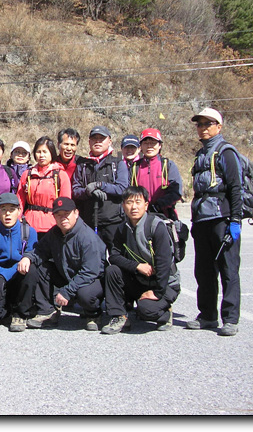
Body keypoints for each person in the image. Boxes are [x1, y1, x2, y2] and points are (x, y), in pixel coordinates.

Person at [187, 108, 243, 336]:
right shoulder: (201, 154)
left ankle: (230, 318)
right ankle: (208, 315)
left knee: (228, 269)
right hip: (202, 219)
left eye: (208, 123)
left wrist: (236, 220)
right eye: (200, 124)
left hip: (222, 217)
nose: (203, 128)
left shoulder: (226, 152)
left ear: (219, 127)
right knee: (204, 271)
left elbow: (236, 188)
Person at [16, 197, 106, 331]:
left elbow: (90, 271)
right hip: (66, 274)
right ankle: (47, 311)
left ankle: (93, 314)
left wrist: (67, 291)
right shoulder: (54, 233)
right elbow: (40, 251)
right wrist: (27, 258)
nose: (63, 218)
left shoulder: (87, 237)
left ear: (76, 213)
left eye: (66, 214)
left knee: (85, 295)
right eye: (58, 215)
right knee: (38, 266)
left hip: (91, 280)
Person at [102, 186, 181, 334]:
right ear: (123, 205)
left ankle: (165, 313)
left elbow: (164, 263)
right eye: (129, 202)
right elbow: (114, 256)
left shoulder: (156, 226)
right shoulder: (122, 228)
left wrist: (157, 292)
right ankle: (119, 316)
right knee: (112, 271)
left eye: (138, 202)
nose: (134, 207)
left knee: (146, 311)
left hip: (163, 283)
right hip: (139, 277)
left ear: (146, 204)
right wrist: (137, 266)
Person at [0, 193, 38, 332]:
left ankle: (20, 314)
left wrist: (4, 276)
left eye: (12, 209)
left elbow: (34, 254)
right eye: (3, 209)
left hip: (17, 278)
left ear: (19, 210)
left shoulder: (29, 232)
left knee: (31, 269)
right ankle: (6, 310)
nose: (8, 214)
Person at [71, 125, 129, 250]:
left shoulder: (118, 163)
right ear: (89, 142)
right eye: (94, 138)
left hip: (113, 222)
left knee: (116, 259)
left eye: (101, 138)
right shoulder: (82, 164)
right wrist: (88, 192)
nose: (97, 141)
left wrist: (100, 185)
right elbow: (75, 190)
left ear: (109, 141)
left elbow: (122, 188)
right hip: (88, 222)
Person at [17, 136, 71, 238]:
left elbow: (65, 202)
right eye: (38, 152)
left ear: (52, 153)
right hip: (29, 224)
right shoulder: (27, 174)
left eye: (45, 152)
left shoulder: (60, 175)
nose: (41, 155)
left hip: (52, 225)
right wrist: (18, 218)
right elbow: (20, 199)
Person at [129, 128, 183, 220]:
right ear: (140, 146)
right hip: (140, 217)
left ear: (160, 145)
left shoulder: (167, 165)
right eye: (146, 143)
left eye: (153, 143)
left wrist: (158, 205)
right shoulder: (134, 167)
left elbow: (176, 192)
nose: (149, 146)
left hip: (165, 216)